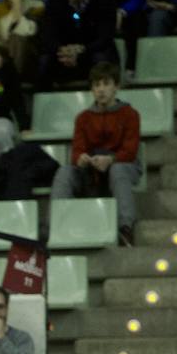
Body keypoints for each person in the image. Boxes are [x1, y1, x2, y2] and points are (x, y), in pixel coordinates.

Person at [50, 61, 141, 246]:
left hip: (122, 165)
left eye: (106, 84)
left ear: (116, 87)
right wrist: (81, 159)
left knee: (118, 170)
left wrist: (111, 159)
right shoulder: (83, 118)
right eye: (97, 85)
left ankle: (126, 229)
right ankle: (56, 226)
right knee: (64, 172)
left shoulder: (130, 114)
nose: (101, 90)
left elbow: (130, 151)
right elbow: (76, 151)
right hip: (91, 170)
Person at [37, 0, 119, 89]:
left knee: (101, 59)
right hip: (64, 55)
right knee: (43, 62)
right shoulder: (54, 3)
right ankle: (45, 104)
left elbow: (105, 38)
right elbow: (47, 36)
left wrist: (81, 49)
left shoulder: (105, 2)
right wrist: (61, 50)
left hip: (92, 52)